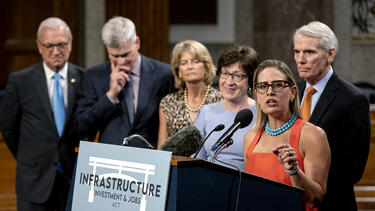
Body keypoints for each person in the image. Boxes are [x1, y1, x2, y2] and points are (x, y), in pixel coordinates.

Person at [0, 17, 83, 211]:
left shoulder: (83, 78)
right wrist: (29, 158)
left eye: (62, 44)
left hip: (72, 180)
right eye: (49, 45)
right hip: (33, 183)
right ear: (39, 47)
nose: (56, 51)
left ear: (70, 45)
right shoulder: (20, 81)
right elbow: (8, 128)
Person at [293, 21, 371, 211]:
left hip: (331, 203)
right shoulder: (292, 91)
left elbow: (353, 169)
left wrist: (308, 182)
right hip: (292, 200)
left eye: (309, 52)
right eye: (296, 51)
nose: (300, 59)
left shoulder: (353, 99)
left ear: (330, 54)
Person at [244, 60, 331, 210]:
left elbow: (316, 198)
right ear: (257, 95)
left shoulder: (312, 135)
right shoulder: (250, 137)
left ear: (292, 92)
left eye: (277, 85)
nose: (270, 92)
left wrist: (294, 171)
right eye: (263, 86)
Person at [75, 17, 175, 147]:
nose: (121, 61)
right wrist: (110, 96)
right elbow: (82, 127)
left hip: (149, 158)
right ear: (107, 49)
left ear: (137, 43)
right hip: (109, 158)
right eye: (115, 56)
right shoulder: (93, 76)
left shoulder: (164, 74)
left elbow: (172, 127)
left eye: (126, 54)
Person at [194, 45, 259, 170]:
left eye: (238, 76)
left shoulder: (262, 114)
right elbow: (196, 159)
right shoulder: (206, 112)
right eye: (225, 73)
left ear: (250, 80)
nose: (229, 82)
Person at [157, 40, 221, 149]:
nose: (190, 66)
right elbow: (161, 148)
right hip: (175, 163)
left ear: (206, 67)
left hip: (210, 163)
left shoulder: (221, 100)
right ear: (179, 71)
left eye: (196, 61)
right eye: (184, 63)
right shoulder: (167, 102)